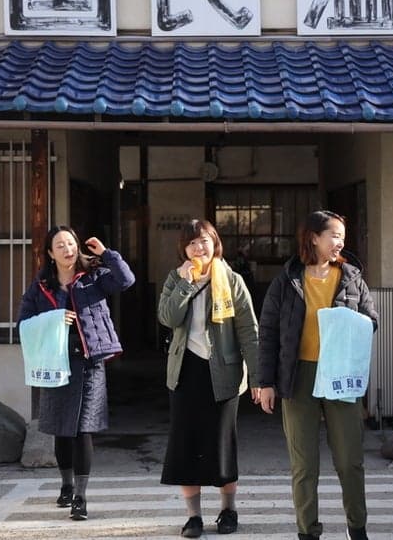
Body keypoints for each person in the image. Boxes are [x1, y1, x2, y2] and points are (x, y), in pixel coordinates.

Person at [257, 210, 379, 540]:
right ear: (313, 237)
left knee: (350, 460)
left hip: (340, 375)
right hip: (298, 377)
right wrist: (264, 382)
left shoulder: (353, 278)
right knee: (304, 464)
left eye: (342, 236)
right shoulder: (287, 280)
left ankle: (358, 528)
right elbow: (268, 331)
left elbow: (372, 321)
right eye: (333, 235)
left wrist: (351, 326)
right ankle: (307, 531)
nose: (339, 242)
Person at [17, 225, 135, 522]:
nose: (68, 249)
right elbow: (23, 323)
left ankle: (80, 497)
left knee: (84, 429)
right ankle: (66, 483)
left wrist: (107, 255)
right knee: (61, 429)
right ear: (49, 253)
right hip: (57, 363)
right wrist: (54, 319)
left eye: (71, 243)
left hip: (90, 362)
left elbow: (126, 280)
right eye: (60, 245)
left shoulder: (93, 276)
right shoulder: (41, 285)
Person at [158, 220, 260, 538]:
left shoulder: (232, 280)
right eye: (191, 244)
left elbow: (249, 331)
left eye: (204, 241)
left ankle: (228, 510)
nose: (198, 248)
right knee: (186, 444)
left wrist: (257, 377)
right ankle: (193, 517)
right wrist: (186, 285)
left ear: (215, 242)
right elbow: (167, 318)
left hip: (224, 373)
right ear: (184, 250)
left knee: (221, 446)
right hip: (186, 373)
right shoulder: (176, 279)